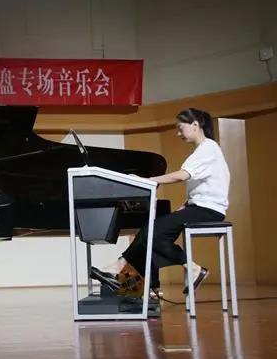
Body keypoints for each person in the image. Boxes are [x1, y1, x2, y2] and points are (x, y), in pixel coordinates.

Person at [98, 108, 230, 294]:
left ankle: (191, 267)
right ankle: (126, 276)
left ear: (195, 124)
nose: (178, 133)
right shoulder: (204, 149)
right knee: (152, 234)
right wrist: (185, 206)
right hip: (199, 208)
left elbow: (182, 176)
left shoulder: (208, 148)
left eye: (180, 128)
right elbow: (203, 188)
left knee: (152, 232)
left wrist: (147, 181)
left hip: (208, 211)